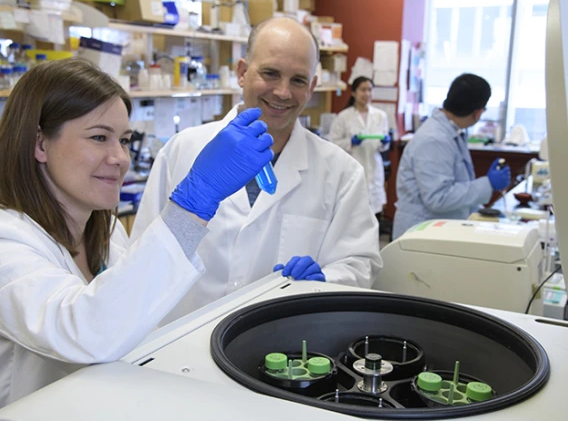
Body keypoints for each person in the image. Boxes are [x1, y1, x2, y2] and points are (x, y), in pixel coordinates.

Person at [0, 58, 273, 408]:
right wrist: (194, 202)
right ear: (40, 144)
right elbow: (88, 330)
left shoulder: (106, 230)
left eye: (125, 140)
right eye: (99, 137)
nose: (120, 158)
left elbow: (131, 320)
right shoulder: (8, 241)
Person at [131, 17, 382, 323]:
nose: (283, 92)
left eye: (298, 80)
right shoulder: (182, 151)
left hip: (280, 349)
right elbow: (140, 256)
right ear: (241, 72)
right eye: (270, 73)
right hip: (179, 345)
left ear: (312, 86)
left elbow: (361, 265)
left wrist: (325, 280)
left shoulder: (341, 173)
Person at [392, 73, 511, 239]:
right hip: (422, 235)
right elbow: (438, 198)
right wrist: (488, 184)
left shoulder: (451, 132)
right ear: (478, 113)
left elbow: (458, 184)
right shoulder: (434, 139)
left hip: (436, 230)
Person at [328, 76, 390, 216]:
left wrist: (385, 143)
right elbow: (332, 143)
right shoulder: (344, 116)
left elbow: (382, 147)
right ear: (354, 93)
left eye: (370, 90)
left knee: (374, 215)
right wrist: (350, 142)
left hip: (374, 168)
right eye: (362, 90)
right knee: (353, 214)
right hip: (352, 168)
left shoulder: (381, 116)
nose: (367, 94)